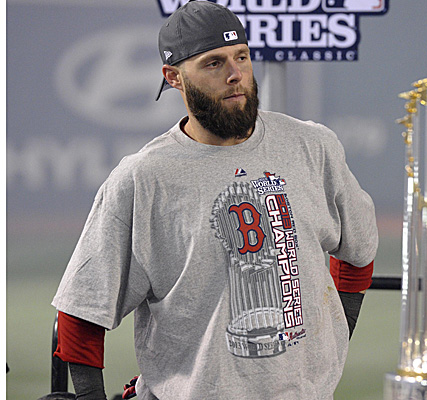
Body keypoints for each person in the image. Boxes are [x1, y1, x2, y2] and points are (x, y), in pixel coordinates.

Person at [51, 2, 378, 399]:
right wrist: (88, 395)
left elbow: (359, 250)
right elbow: (82, 308)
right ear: (173, 77)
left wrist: (336, 337)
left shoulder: (312, 146)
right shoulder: (142, 178)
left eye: (242, 56)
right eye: (213, 63)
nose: (235, 74)